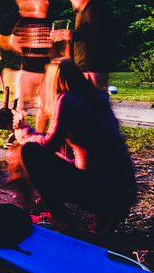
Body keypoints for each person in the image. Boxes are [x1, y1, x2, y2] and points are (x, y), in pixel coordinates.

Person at [12, 58, 136, 234]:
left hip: (100, 193)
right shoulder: (99, 97)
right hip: (126, 192)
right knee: (73, 155)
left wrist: (25, 132)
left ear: (55, 81)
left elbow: (49, 145)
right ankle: (106, 213)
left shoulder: (65, 100)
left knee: (29, 151)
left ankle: (60, 219)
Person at [51, 0, 114, 90]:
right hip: (84, 66)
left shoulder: (96, 8)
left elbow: (100, 33)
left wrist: (70, 35)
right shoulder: (83, 11)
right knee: (87, 100)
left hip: (94, 66)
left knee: (95, 99)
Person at [9, 0, 53, 112]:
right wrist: (27, 53)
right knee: (21, 106)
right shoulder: (26, 20)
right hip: (28, 70)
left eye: (47, 0)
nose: (47, 2)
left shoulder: (51, 21)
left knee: (45, 106)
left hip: (46, 71)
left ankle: (40, 131)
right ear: (35, 1)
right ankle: (18, 130)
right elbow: (13, 41)